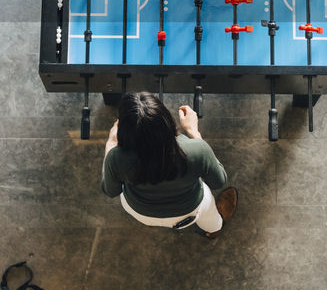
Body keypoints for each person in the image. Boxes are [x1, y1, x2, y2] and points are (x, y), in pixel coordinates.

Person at [101, 91, 238, 238]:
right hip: (190, 210)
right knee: (210, 215)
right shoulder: (197, 150)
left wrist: (111, 144)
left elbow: (111, 191)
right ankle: (213, 229)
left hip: (142, 212)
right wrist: (194, 132)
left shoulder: (116, 158)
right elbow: (218, 181)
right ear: (166, 120)